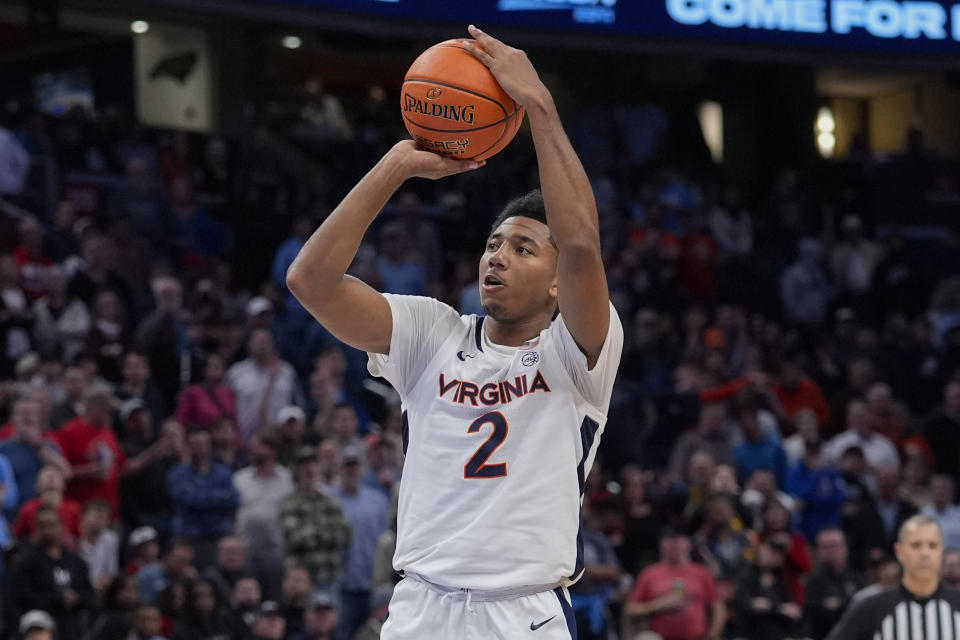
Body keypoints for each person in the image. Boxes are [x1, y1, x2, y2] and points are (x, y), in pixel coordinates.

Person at [286, 25, 623, 640]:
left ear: (556, 283)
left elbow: (580, 245)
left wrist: (540, 106)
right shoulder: (430, 333)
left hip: (524, 613)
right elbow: (310, 280)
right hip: (422, 608)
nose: (497, 257)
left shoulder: (577, 353)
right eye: (493, 244)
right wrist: (395, 167)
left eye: (523, 248)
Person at [825, 515, 960, 640]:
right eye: (916, 545)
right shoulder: (872, 607)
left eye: (932, 545)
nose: (924, 553)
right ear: (899, 551)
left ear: (941, 551)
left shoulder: (956, 603)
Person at [626, 527, 726, 640]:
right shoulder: (649, 574)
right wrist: (657, 605)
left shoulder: (701, 572)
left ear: (688, 544)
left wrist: (713, 635)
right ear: (661, 544)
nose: (674, 545)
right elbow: (631, 609)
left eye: (679, 540)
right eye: (669, 541)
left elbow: (718, 607)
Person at [805, 528, 864, 640]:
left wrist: (838, 604)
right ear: (818, 551)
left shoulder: (859, 579)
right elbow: (817, 618)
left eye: (835, 545)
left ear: (845, 548)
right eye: (825, 547)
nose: (831, 550)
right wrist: (849, 602)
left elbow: (865, 611)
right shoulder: (813, 582)